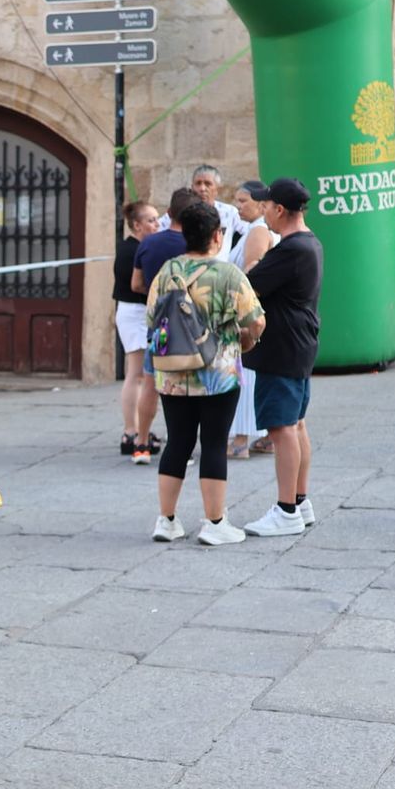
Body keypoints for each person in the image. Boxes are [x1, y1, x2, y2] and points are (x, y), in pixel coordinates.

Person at [147, 201, 264, 546]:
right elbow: (255, 320)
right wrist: (248, 340)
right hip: (218, 374)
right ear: (217, 235)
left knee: (177, 443)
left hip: (172, 373)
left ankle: (166, 520)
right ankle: (215, 522)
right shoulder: (228, 274)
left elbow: (152, 315)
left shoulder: (168, 271)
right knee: (213, 443)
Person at [241, 178, 323, 537]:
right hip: (299, 342)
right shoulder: (310, 242)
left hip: (283, 345)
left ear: (277, 209)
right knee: (296, 424)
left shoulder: (291, 249)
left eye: (266, 206)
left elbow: (248, 284)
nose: (263, 213)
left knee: (282, 428)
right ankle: (299, 500)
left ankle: (286, 508)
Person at [131, 188, 194, 465]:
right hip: (188, 326)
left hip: (158, 324)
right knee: (185, 390)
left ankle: (141, 443)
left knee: (149, 385)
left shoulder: (149, 243)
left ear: (169, 214)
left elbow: (135, 284)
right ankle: (183, 449)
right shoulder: (193, 245)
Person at [228, 181, 274, 459]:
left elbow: (251, 275)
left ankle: (241, 439)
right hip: (253, 311)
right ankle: (264, 436)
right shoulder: (254, 229)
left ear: (260, 204)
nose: (238, 205)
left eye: (243, 200)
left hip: (247, 312)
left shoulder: (258, 230)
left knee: (246, 374)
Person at [114, 200, 160, 462]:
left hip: (139, 313)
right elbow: (136, 285)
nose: (156, 224)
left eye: (157, 219)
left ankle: (138, 429)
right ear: (136, 225)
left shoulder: (140, 246)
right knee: (137, 373)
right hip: (133, 313)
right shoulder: (130, 249)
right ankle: (131, 430)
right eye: (151, 220)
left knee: (142, 373)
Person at [190, 164, 244, 259]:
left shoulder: (230, 212)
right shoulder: (183, 213)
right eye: (198, 183)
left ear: (217, 189)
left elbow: (248, 232)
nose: (202, 189)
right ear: (192, 187)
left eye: (208, 184)